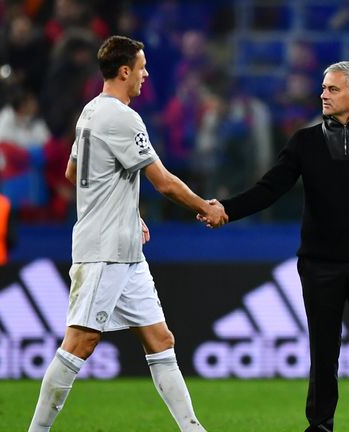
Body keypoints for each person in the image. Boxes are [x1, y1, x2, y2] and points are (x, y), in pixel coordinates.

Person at [27, 35, 226, 432]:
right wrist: (206, 206)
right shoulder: (121, 116)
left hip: (126, 250)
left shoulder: (90, 112)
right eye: (141, 67)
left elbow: (74, 173)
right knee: (80, 343)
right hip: (104, 249)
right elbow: (164, 182)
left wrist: (127, 210)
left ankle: (192, 429)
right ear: (124, 71)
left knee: (160, 339)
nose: (145, 74)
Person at [204, 61, 349, 432]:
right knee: (322, 355)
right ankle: (319, 427)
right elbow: (270, 188)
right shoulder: (305, 141)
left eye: (333, 89)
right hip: (320, 265)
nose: (323, 95)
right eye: (323, 88)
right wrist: (227, 210)